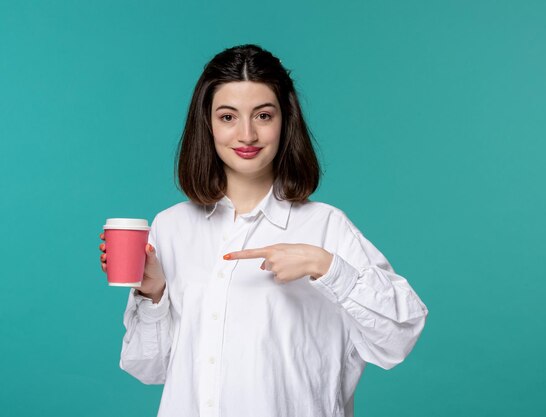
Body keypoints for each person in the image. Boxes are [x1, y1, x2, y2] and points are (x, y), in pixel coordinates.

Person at [98, 44, 428, 417]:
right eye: (227, 117)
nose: (247, 134)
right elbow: (150, 369)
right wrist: (152, 291)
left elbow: (399, 338)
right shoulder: (170, 227)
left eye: (263, 115)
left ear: (285, 121)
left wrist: (326, 266)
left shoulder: (325, 226)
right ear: (206, 124)